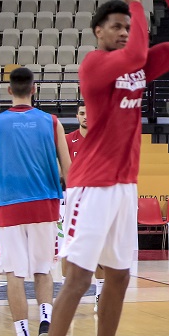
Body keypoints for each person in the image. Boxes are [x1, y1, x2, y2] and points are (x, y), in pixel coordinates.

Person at [25, 0, 169, 336]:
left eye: (127, 25)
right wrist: (139, 2)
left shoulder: (137, 65)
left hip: (123, 187)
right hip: (91, 186)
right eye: (115, 26)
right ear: (98, 32)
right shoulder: (95, 64)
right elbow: (136, 51)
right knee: (79, 280)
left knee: (119, 277)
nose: (124, 32)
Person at [0, 68, 73, 336]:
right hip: (46, 204)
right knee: (43, 270)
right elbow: (68, 169)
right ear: (34, 89)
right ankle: (47, 322)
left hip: (9, 206)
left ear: (9, 90)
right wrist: (79, 205)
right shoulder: (52, 122)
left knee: (14, 274)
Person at [65, 101, 105, 310]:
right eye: (82, 113)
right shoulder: (67, 140)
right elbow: (60, 169)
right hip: (72, 200)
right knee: (69, 247)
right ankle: (66, 292)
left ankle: (100, 293)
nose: (86, 117)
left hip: (97, 200)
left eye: (89, 113)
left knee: (99, 249)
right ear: (77, 116)